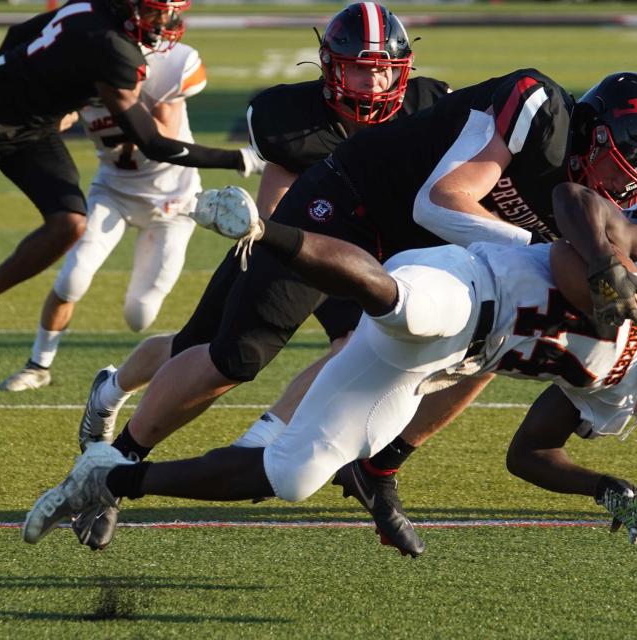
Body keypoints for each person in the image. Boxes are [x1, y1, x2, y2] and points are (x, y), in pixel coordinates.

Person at [72, 68, 637, 553]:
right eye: (616, 170)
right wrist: (548, 253)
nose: (619, 193)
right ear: (596, 132)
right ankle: (116, 461)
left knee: (479, 355)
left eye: (633, 185)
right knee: (232, 357)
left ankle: (375, 467)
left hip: (411, 256)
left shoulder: (584, 202)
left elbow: (631, 324)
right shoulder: (539, 107)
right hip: (347, 208)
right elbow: (441, 202)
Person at [22, 183, 637, 552]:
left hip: (438, 369)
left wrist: (602, 486)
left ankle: (109, 478)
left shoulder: (622, 385)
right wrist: (612, 269)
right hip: (468, 284)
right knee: (407, 303)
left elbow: (529, 453)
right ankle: (265, 230)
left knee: (290, 476)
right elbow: (575, 200)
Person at [65, 1, 450, 550]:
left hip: (366, 254)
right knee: (204, 353)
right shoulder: (290, 119)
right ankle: (114, 417)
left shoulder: (431, 105)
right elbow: (278, 220)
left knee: (359, 342)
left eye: (385, 67)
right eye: (362, 67)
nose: (376, 79)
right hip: (290, 239)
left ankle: (266, 436)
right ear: (331, 66)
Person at [0, 0, 263, 366]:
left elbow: (19, 33)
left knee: (69, 223)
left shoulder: (88, 7)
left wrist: (27, 84)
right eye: (154, 11)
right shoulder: (114, 48)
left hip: (35, 128)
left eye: (169, 11)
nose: (164, 22)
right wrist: (238, 159)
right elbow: (153, 143)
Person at [0, 40, 213, 391]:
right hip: (114, 190)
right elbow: (56, 118)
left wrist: (128, 108)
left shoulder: (166, 69)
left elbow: (165, 139)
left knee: (139, 315)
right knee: (73, 277)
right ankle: (38, 365)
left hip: (172, 203)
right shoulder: (82, 78)